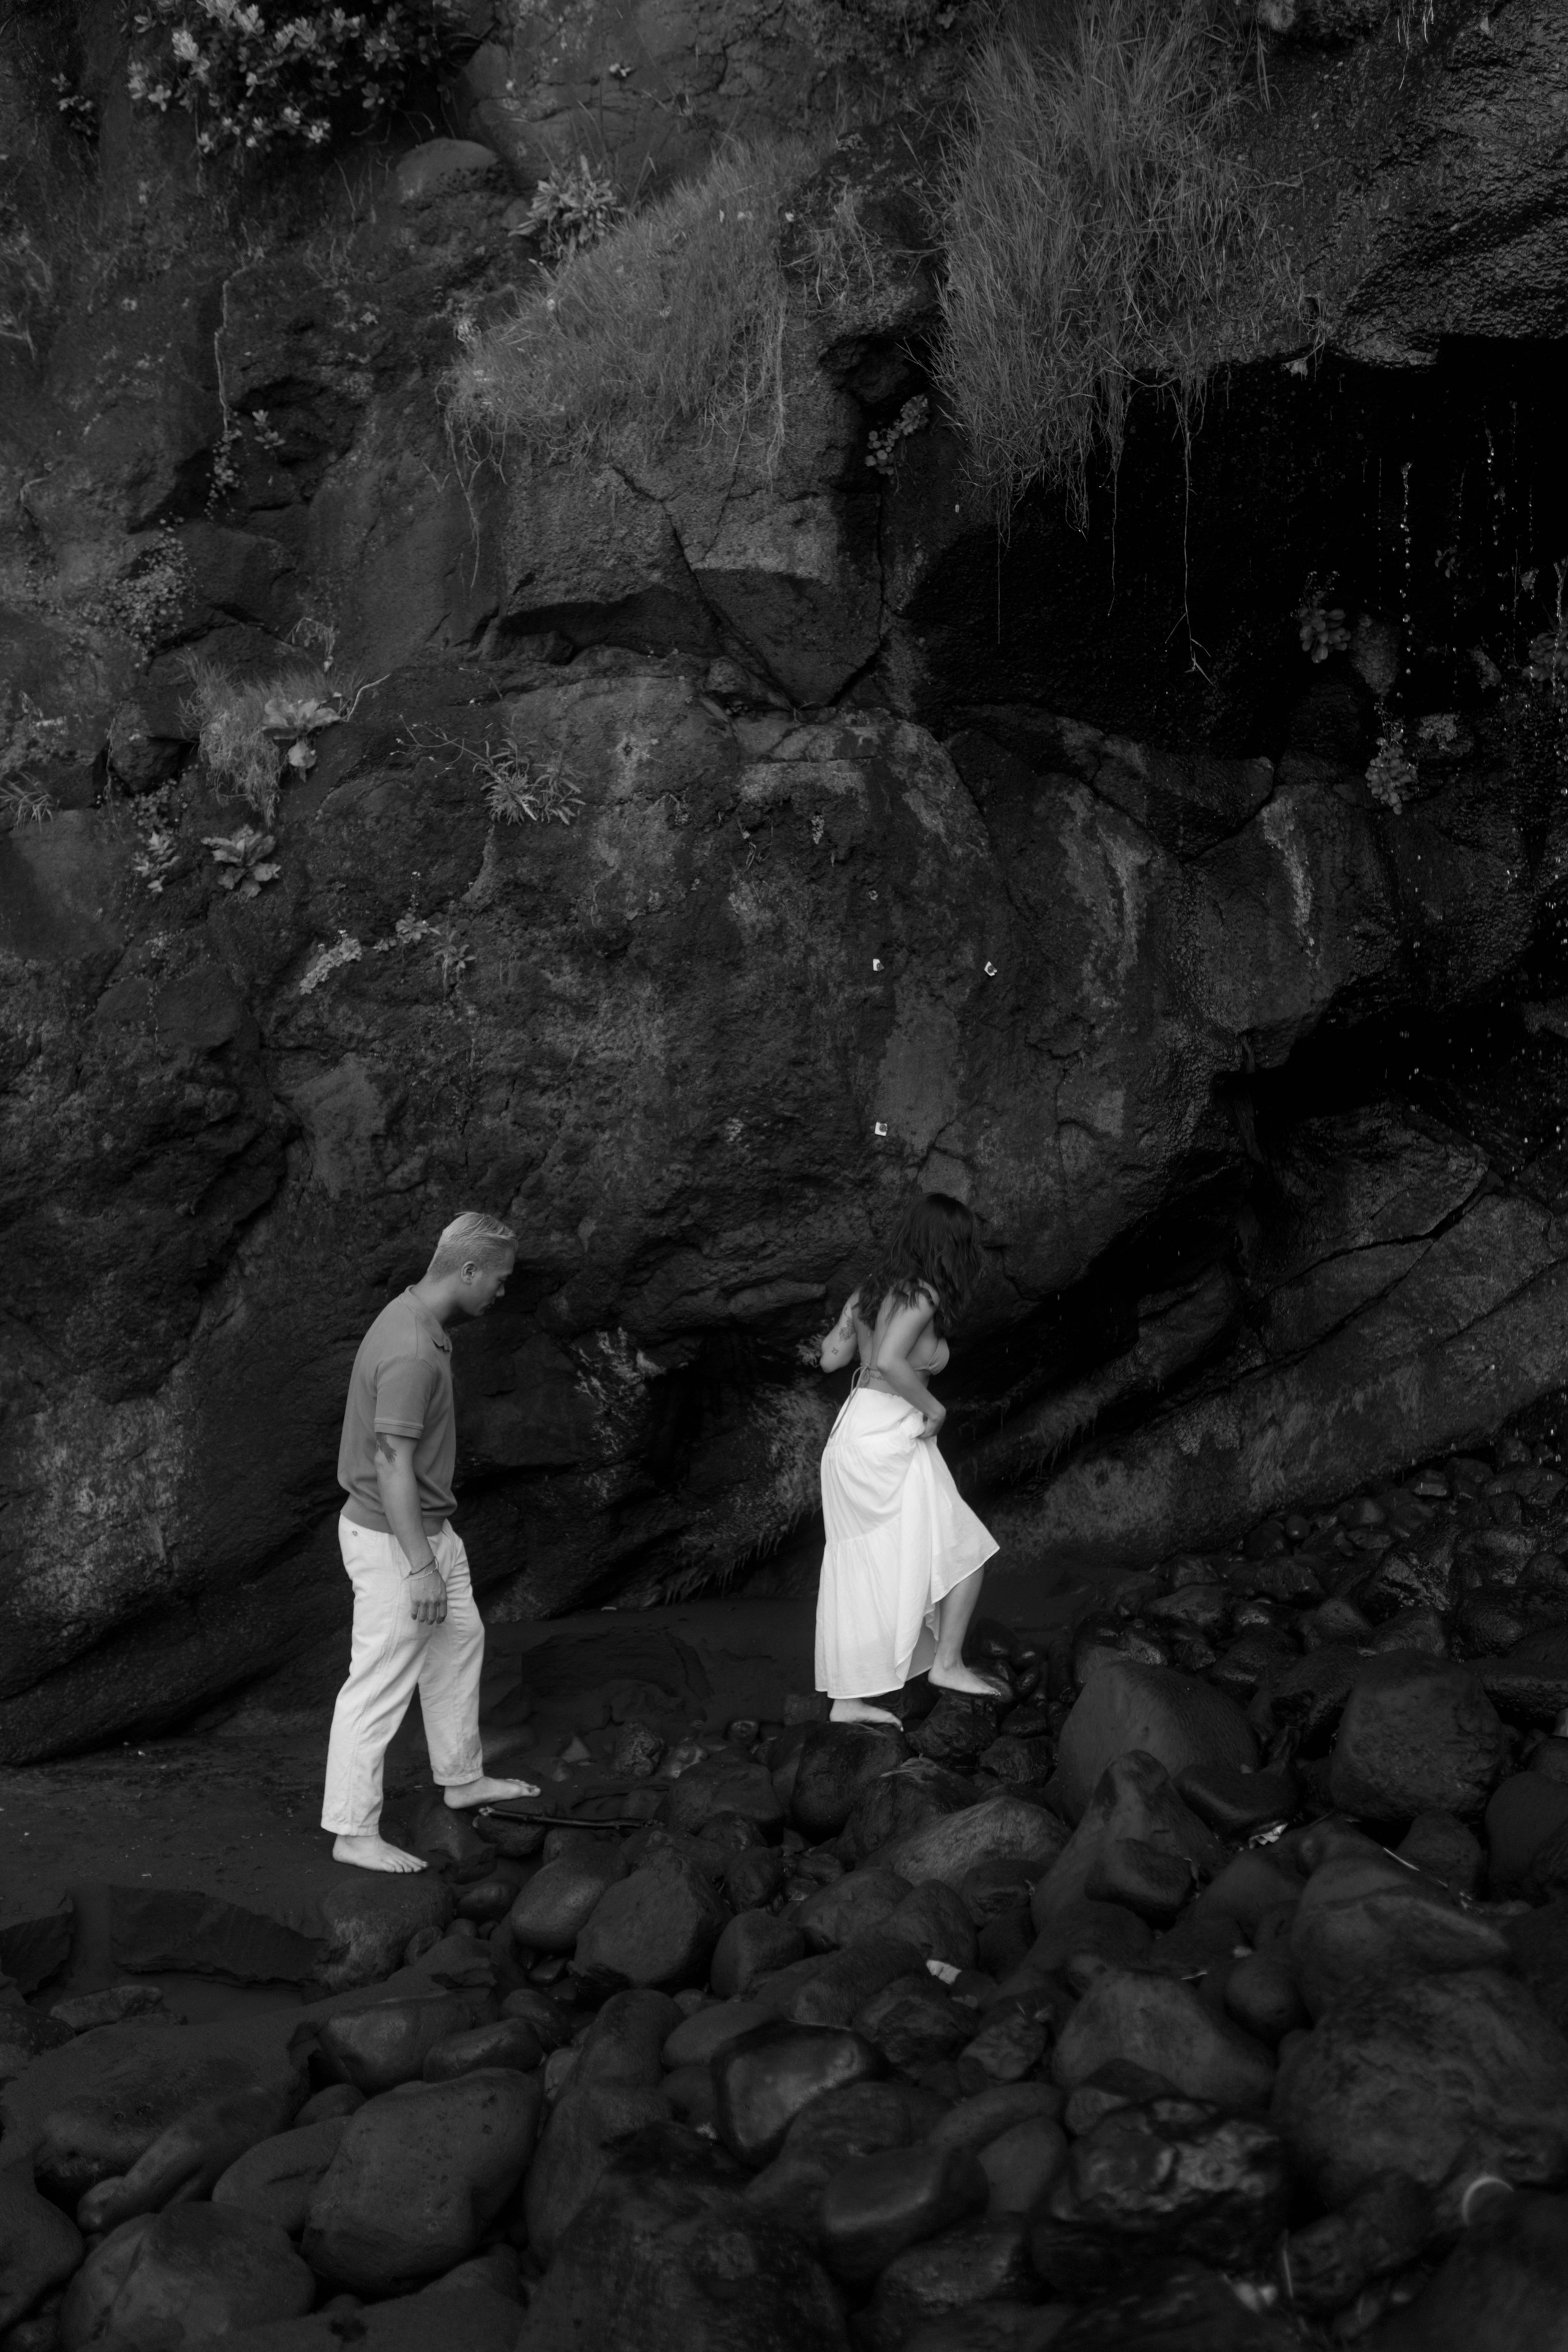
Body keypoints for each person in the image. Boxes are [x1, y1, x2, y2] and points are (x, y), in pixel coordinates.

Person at [321, 1210, 540, 1873]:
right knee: (380, 1679)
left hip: (426, 1531)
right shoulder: (413, 1349)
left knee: (458, 1642)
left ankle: (461, 1776)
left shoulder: (419, 1321)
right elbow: (391, 1462)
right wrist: (419, 1565)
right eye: (497, 1279)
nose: (501, 1292)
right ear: (467, 1270)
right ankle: (353, 1831)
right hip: (398, 1541)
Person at [814, 1192, 1003, 1728]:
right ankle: (946, 1664)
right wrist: (935, 1409)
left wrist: (855, 1328)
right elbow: (894, 1361)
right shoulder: (920, 1293)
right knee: (965, 1550)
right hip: (890, 1435)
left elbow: (831, 1358)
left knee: (863, 1567)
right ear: (947, 1245)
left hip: (851, 1435)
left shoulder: (867, 1292)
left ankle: (846, 1700)